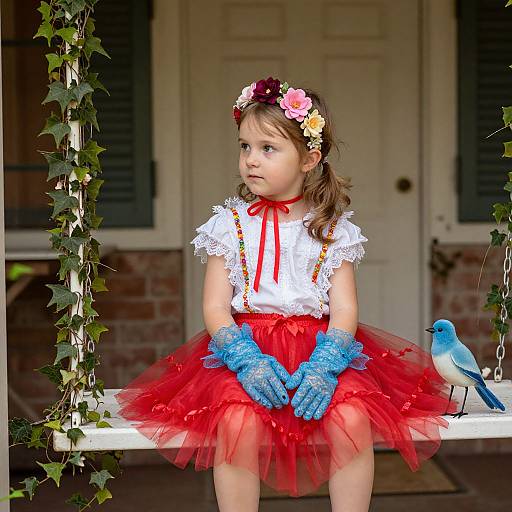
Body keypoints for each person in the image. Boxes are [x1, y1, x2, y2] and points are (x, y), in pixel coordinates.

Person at [115, 76, 454, 511]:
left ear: (309, 158)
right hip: (245, 349)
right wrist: (245, 359)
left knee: (351, 415)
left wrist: (327, 365)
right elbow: (215, 307)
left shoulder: (333, 230)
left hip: (321, 351)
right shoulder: (229, 225)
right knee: (237, 420)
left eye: (267, 149)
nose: (251, 160)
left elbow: (345, 309)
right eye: (244, 147)